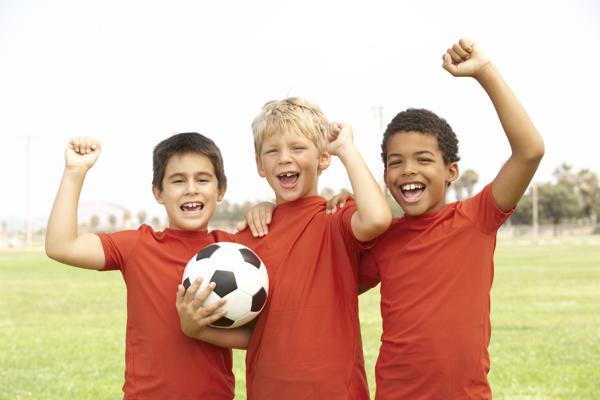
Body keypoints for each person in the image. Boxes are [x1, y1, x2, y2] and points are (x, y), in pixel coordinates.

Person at [354, 38, 544, 399]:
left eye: (423, 159)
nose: (408, 170)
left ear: (451, 171)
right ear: (385, 176)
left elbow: (530, 151)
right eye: (396, 162)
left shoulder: (477, 218)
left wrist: (485, 72)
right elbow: (328, 286)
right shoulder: (383, 238)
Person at [176, 97, 392, 399]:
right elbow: (257, 334)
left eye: (298, 147)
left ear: (323, 158)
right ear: (259, 165)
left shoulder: (336, 220)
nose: (284, 158)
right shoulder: (245, 244)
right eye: (272, 150)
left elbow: (379, 218)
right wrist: (196, 329)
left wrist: (347, 149)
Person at [45, 133, 236, 399]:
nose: (191, 188)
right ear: (158, 193)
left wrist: (264, 208)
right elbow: (60, 246)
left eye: (202, 179)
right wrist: (74, 172)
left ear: (221, 190)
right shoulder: (137, 246)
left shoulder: (236, 252)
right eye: (178, 180)